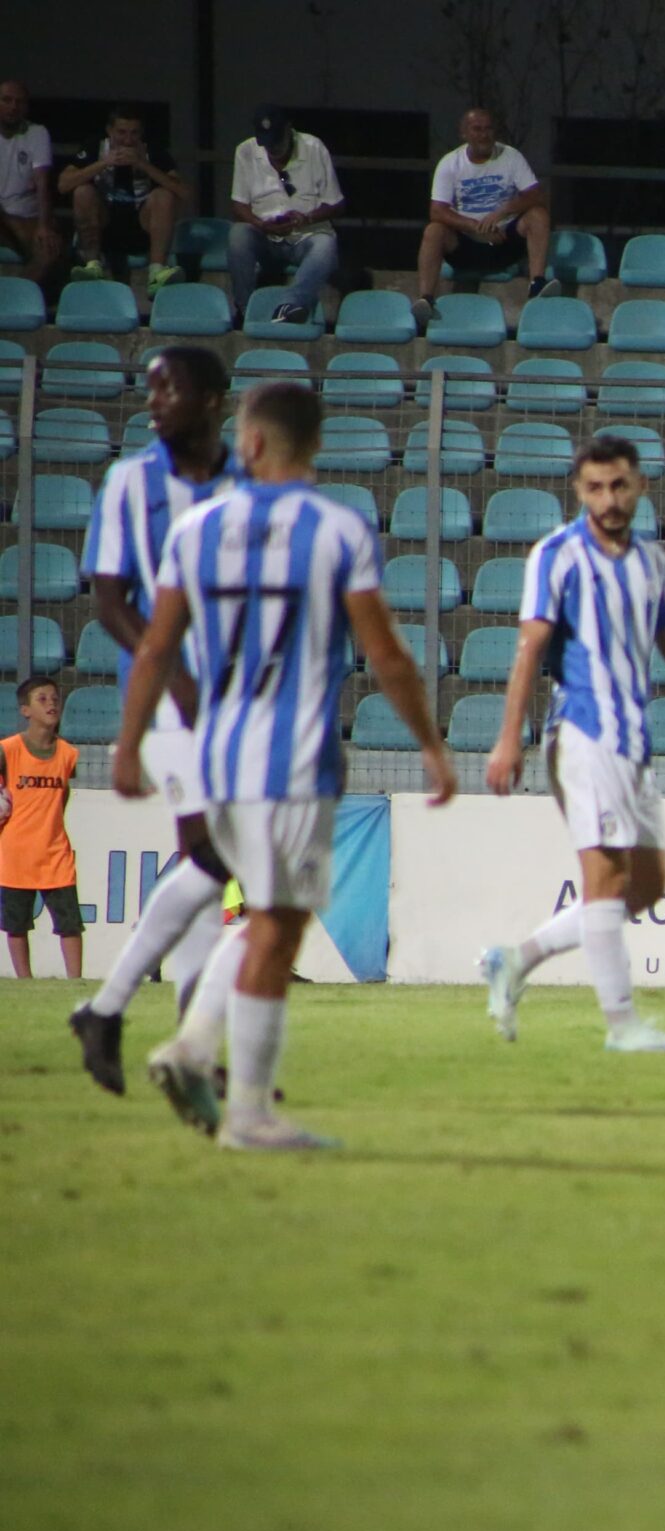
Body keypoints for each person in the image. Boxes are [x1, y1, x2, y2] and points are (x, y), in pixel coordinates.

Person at [115, 381, 457, 1150]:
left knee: (268, 917)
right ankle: (247, 1117)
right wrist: (432, 747)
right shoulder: (337, 531)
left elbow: (158, 646)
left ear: (255, 442)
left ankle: (194, 1046)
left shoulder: (197, 529)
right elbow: (387, 655)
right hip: (294, 759)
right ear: (313, 444)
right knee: (280, 926)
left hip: (215, 756)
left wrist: (131, 743)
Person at [477, 436, 665, 1052]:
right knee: (604, 882)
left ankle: (515, 960)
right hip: (581, 731)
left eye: (619, 486)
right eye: (596, 488)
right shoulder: (556, 556)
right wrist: (509, 738)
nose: (608, 499)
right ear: (579, 491)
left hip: (634, 738)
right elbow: (530, 648)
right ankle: (623, 1026)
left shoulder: (652, 562)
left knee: (647, 886)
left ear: (639, 487)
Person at [66, 347, 242, 1097]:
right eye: (150, 389)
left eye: (168, 388)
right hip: (173, 701)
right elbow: (111, 599)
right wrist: (173, 672)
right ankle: (120, 1014)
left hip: (239, 701)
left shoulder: (245, 483)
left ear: (211, 400)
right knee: (219, 859)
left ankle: (163, 1035)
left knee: (211, 862)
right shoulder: (129, 481)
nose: (152, 402)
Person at [415, 108, 556, 329]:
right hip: (467, 243)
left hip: (504, 240)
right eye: (477, 129)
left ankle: (537, 282)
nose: (484, 135)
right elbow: (437, 211)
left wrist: (503, 211)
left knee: (538, 214)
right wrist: (474, 226)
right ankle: (426, 299)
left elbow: (536, 195)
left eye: (489, 129)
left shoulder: (511, 156)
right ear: (464, 134)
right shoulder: (450, 163)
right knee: (433, 230)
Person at [226, 107, 343, 325]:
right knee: (238, 233)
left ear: (289, 129)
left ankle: (290, 306)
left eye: (277, 141)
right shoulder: (245, 151)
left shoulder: (314, 147)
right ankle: (245, 309)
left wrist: (305, 218)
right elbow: (238, 203)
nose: (273, 148)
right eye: (267, 143)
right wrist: (259, 223)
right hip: (265, 234)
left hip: (304, 234)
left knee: (326, 244)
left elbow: (336, 204)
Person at [3, 676, 82, 979]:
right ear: (25, 710)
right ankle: (25, 982)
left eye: (55, 698)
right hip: (16, 852)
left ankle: (76, 982)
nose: (51, 704)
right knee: (17, 924)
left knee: (70, 923)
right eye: (42, 699)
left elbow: (62, 798)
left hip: (54, 851)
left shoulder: (68, 754)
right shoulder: (7, 751)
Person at [61, 107, 187, 296]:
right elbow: (63, 185)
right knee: (82, 192)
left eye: (134, 133)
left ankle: (156, 272)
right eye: (121, 132)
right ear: (109, 131)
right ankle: (93, 265)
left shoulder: (153, 150)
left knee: (164, 195)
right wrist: (103, 163)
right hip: (104, 226)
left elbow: (184, 192)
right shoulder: (95, 146)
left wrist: (143, 165)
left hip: (141, 228)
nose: (128, 140)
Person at [0, 79, 61, 280]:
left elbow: (42, 183)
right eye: (6, 100)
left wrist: (44, 225)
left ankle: (16, 298)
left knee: (48, 250)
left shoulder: (37, 133)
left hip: (25, 215)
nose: (13, 107)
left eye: (19, 102)